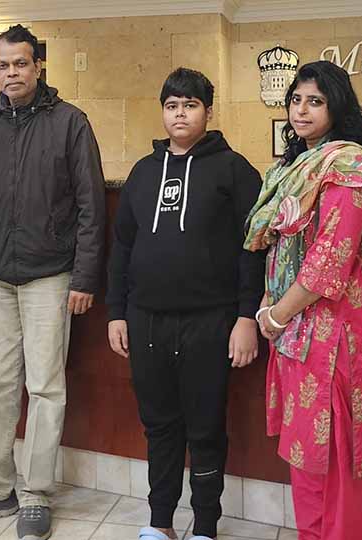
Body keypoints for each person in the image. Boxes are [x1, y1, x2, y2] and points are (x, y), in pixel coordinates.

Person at [243, 60, 362, 540]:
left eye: (314, 101)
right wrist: (270, 308)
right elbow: (279, 247)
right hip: (297, 330)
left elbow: (329, 261)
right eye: (296, 100)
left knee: (338, 454)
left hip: (337, 334)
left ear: (336, 108)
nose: (301, 110)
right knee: (307, 453)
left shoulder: (348, 169)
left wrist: (275, 316)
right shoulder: (294, 168)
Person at [0, 24, 105, 540]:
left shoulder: (70, 123)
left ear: (38, 66)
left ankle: (35, 494)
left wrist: (84, 276)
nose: (11, 72)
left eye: (21, 63)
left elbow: (91, 207)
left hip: (50, 275)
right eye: (2, 65)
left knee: (45, 387)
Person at [106, 67, 264, 540]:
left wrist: (246, 317)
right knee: (159, 426)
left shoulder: (234, 170)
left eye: (190, 105)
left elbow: (253, 248)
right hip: (146, 320)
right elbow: (122, 247)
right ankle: (160, 523)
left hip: (210, 321)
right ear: (163, 111)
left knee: (205, 428)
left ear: (207, 112)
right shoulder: (143, 171)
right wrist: (116, 312)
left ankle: (205, 527)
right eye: (172, 105)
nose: (180, 114)